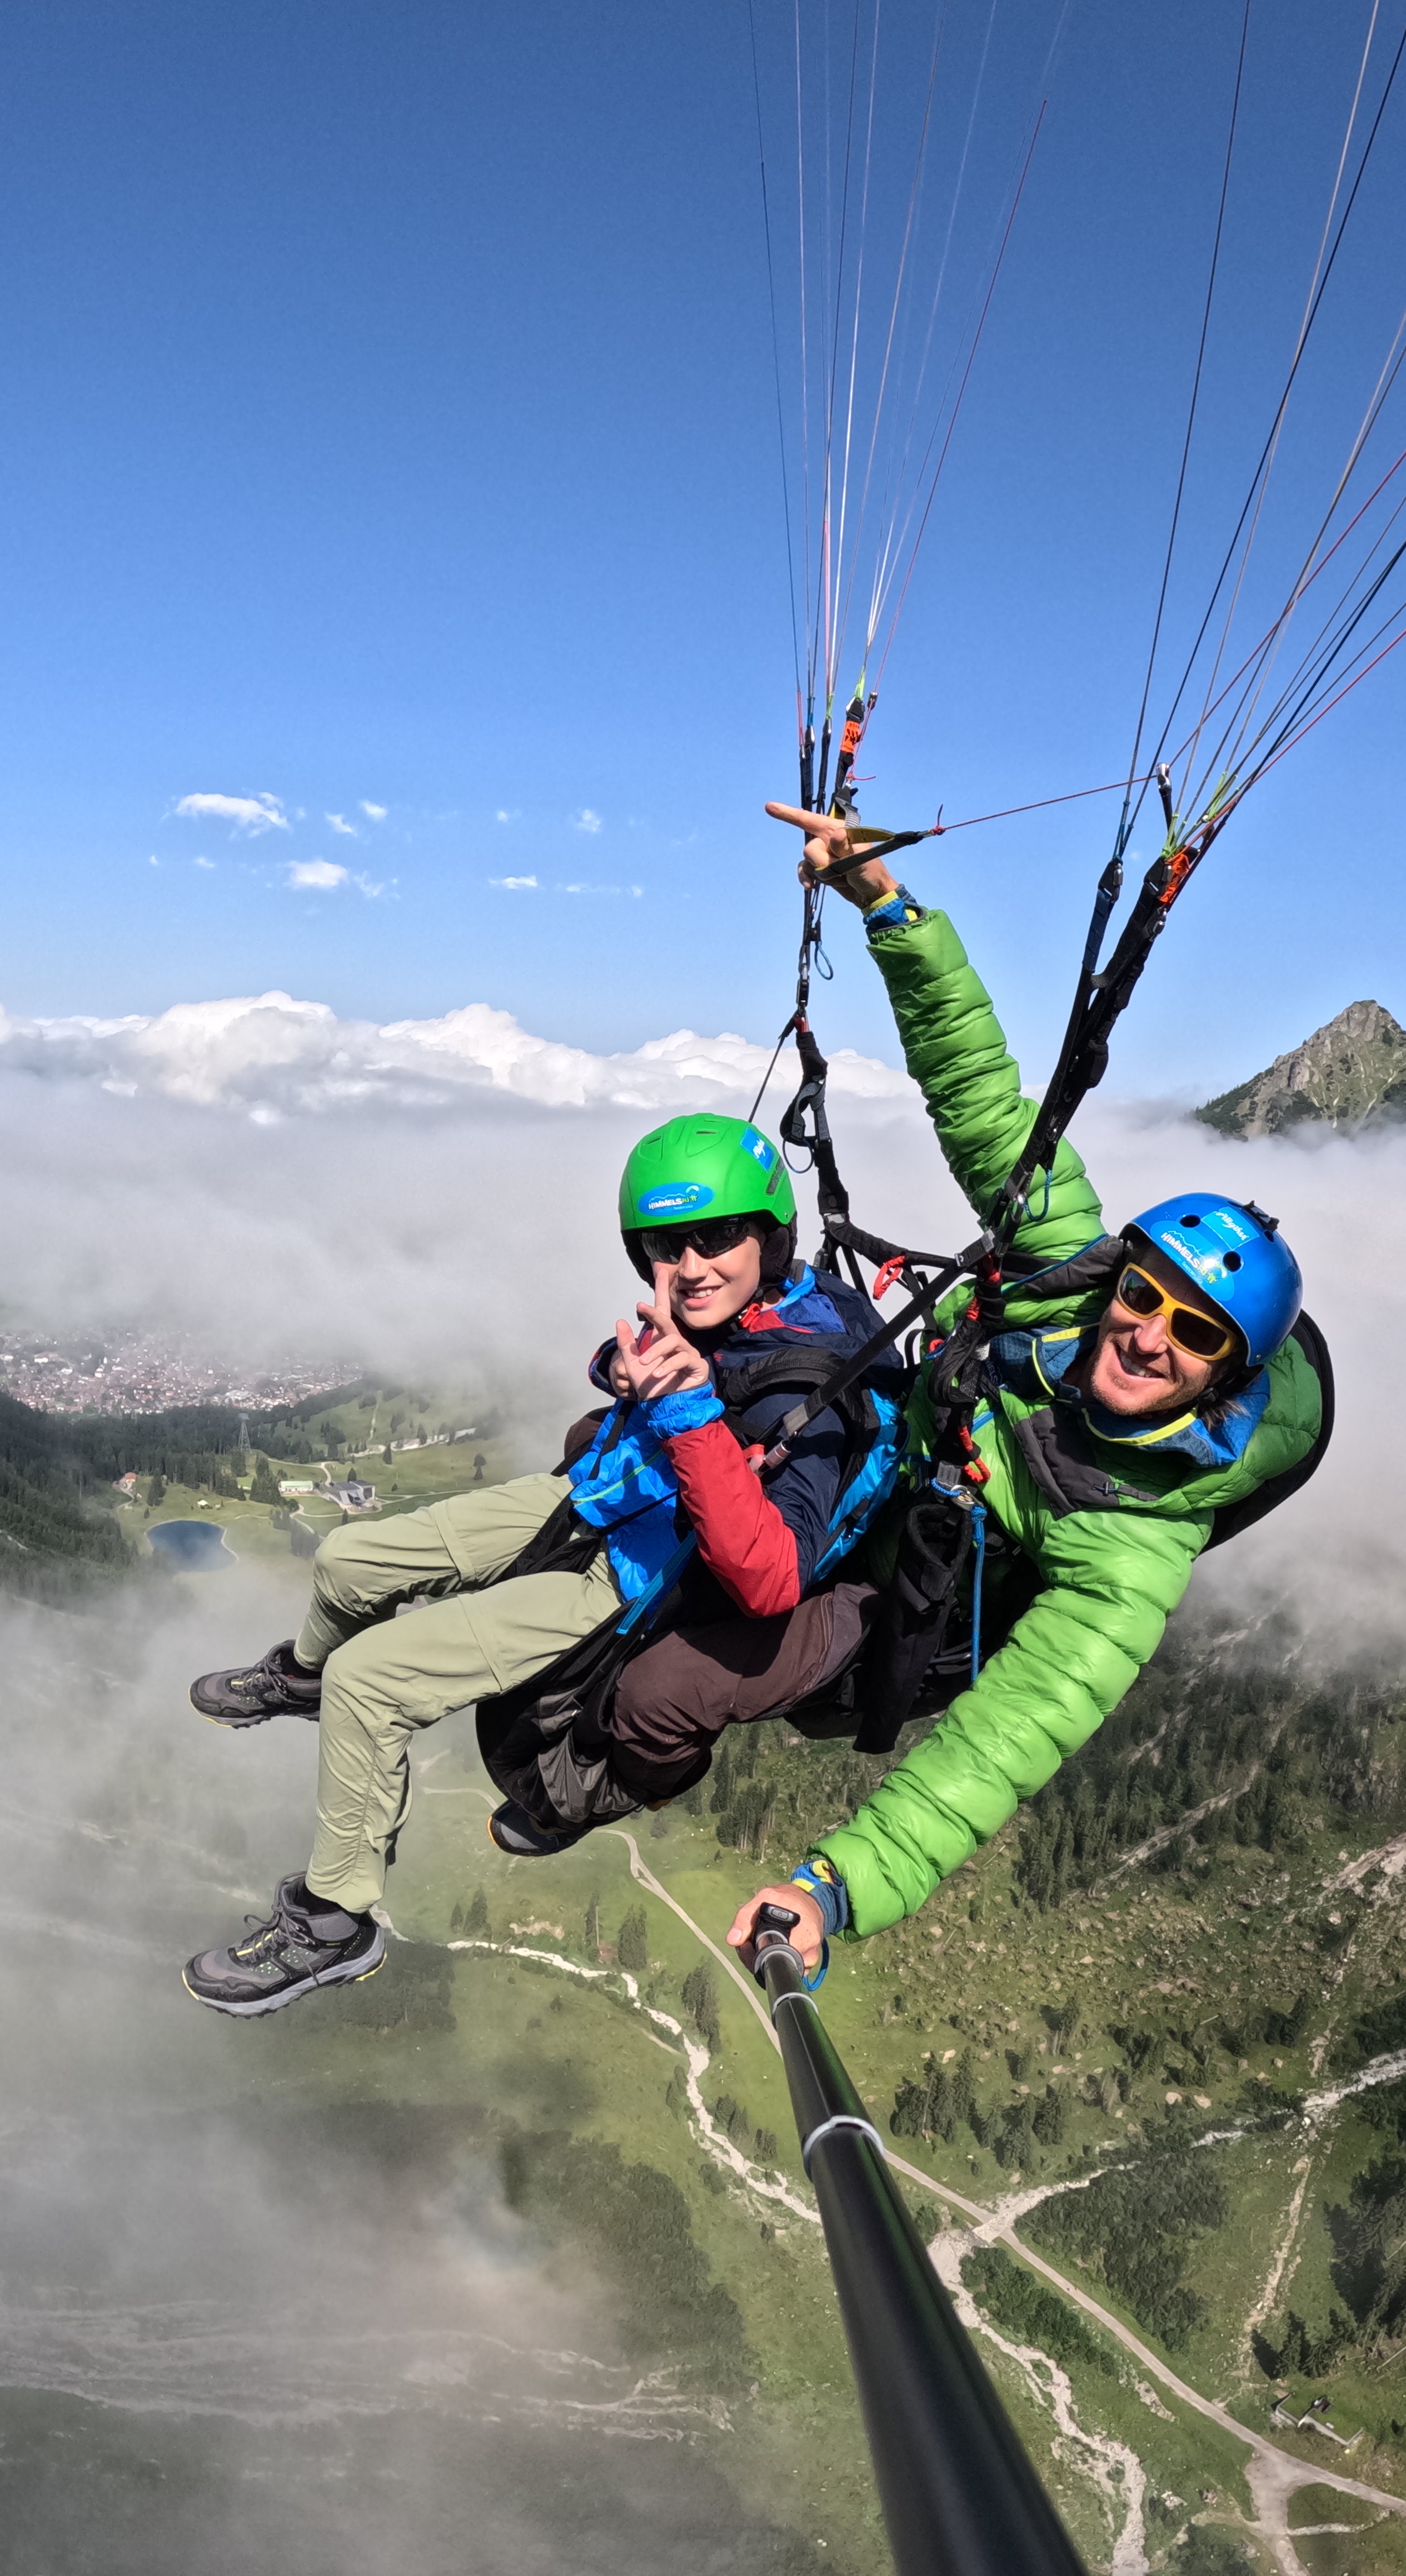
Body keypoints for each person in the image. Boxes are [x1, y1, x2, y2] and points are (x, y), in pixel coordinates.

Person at [670, 802, 1330, 1984]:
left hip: (905, 1594)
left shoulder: (1134, 1553)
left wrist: (837, 1886)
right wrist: (886, 905)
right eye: (1145, 1295)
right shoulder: (1058, 1280)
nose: (1144, 1335)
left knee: (682, 1668)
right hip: (882, 1466)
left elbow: (1010, 1738)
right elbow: (980, 1092)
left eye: (1193, 1334)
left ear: (1228, 1376)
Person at [177, 1112, 888, 2015]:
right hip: (595, 1496)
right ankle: (302, 1679)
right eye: (666, 1245)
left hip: (629, 1571)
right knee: (348, 1561)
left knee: (373, 1680)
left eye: (716, 1238)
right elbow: (647, 1366)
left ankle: (334, 1923)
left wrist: (688, 1414)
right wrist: (625, 1376)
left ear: (768, 1237)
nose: (690, 1265)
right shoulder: (751, 1309)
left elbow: (770, 1578)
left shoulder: (810, 1392)